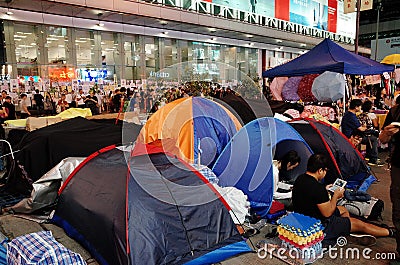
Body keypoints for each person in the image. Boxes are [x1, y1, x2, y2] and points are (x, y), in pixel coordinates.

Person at [292, 154, 394, 246]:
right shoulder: (317, 188)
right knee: (359, 224)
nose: (325, 174)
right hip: (317, 224)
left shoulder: (300, 179)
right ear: (320, 170)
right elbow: (327, 213)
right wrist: (336, 196)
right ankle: (390, 232)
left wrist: (325, 189)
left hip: (303, 215)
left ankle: (345, 232)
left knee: (343, 209)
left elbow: (312, 196)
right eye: (325, 171)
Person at [379, 103, 400, 260]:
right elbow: (382, 138)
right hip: (398, 166)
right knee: (398, 207)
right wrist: (387, 132)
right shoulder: (395, 111)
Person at [341, 99, 382, 166]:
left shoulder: (348, 114)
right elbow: (361, 129)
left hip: (351, 134)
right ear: (356, 107)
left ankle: (369, 156)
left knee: (371, 136)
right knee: (373, 138)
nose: (361, 108)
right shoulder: (351, 116)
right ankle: (373, 159)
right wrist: (368, 129)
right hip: (351, 137)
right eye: (360, 106)